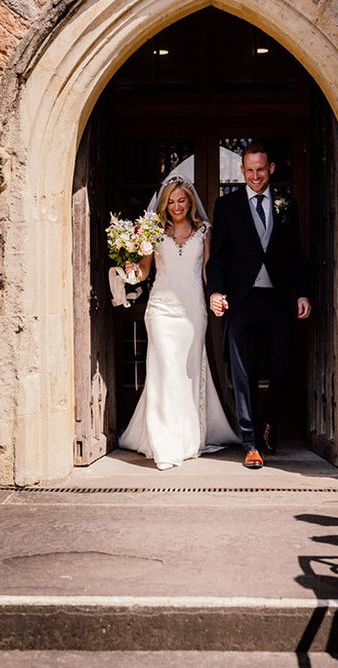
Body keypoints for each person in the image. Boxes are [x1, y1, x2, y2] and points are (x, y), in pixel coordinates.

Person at [119, 178, 238, 470]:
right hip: (161, 309)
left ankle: (187, 438)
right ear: (164, 204)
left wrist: (217, 295)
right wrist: (131, 269)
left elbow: (209, 272)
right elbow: (144, 273)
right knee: (163, 373)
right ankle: (163, 443)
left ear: (190, 201)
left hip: (193, 310)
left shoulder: (204, 231)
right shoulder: (153, 232)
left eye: (181, 200)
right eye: (171, 202)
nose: (176, 207)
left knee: (187, 374)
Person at [206, 143, 310, 470]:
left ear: (271, 168)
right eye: (249, 171)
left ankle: (269, 422)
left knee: (282, 368)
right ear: (242, 171)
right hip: (241, 301)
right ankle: (250, 442)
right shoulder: (226, 206)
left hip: (277, 299)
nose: (255, 176)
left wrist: (302, 293)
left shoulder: (286, 204)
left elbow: (295, 254)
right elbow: (218, 255)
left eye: (260, 170)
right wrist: (215, 292)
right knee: (243, 372)